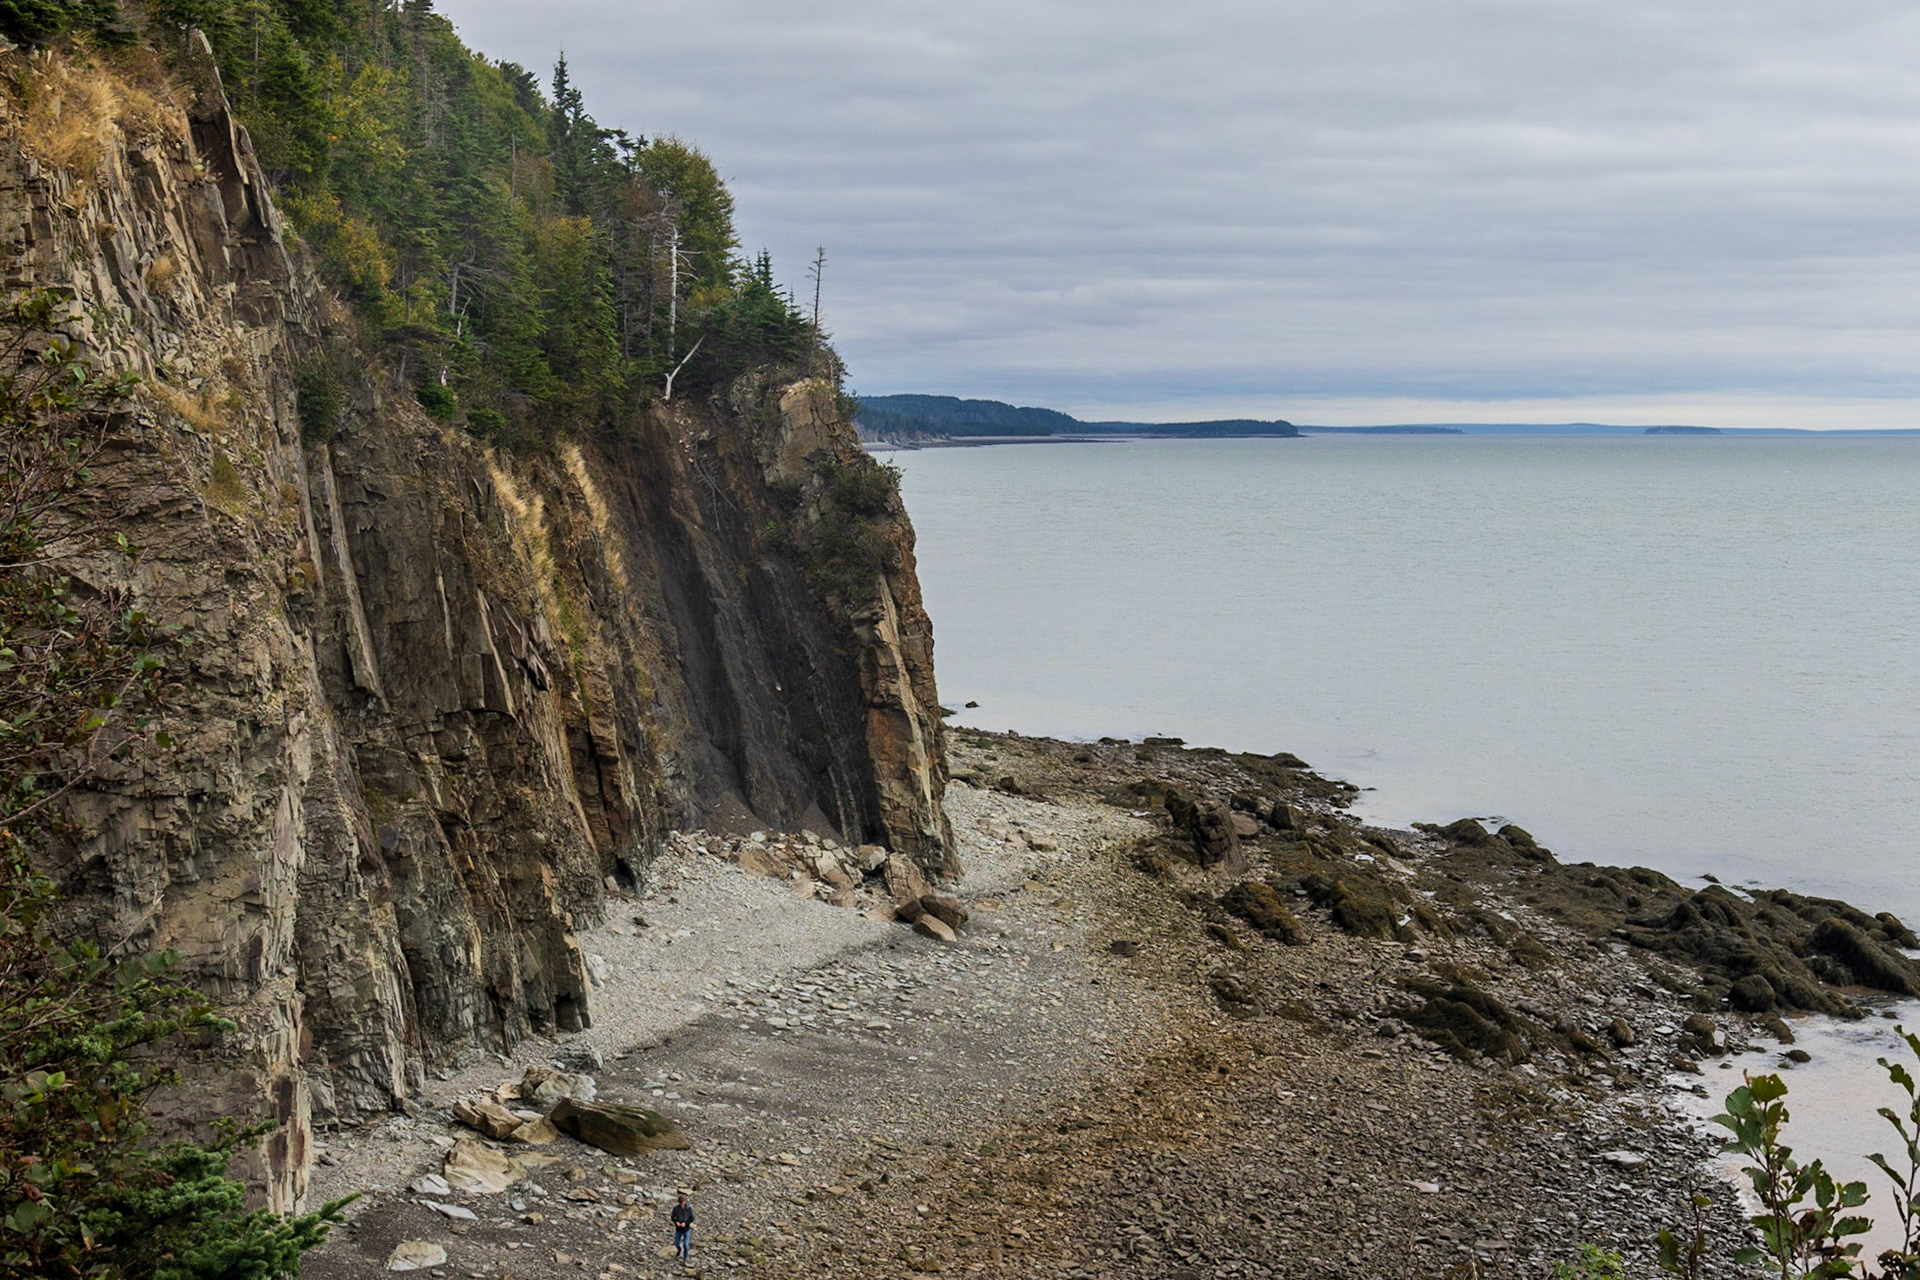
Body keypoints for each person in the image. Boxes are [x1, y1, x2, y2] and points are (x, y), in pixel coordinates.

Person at [670, 1193, 694, 1262]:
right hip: (679, 1229)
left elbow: (692, 1218)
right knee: (677, 1243)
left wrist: (685, 1223)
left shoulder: (688, 1209)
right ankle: (679, 1250)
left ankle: (685, 1259)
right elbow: (672, 1217)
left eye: (683, 1203)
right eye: (680, 1203)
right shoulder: (676, 1209)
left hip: (686, 1229)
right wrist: (676, 1222)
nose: (682, 1204)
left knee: (686, 1245)